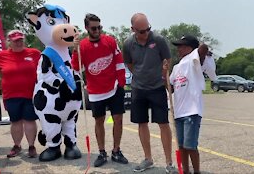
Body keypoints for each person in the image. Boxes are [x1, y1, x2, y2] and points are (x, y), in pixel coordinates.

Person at [71, 13, 128, 167]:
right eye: (94, 28)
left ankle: (116, 150)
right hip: (95, 90)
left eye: (99, 27)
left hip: (114, 87)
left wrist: (121, 83)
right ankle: (102, 153)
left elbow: (119, 61)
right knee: (99, 121)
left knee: (118, 119)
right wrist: (75, 51)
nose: (97, 30)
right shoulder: (82, 45)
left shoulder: (109, 40)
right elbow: (77, 68)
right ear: (87, 28)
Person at [123, 13, 176, 173]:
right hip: (139, 88)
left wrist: (162, 72)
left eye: (148, 29)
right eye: (141, 31)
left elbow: (167, 59)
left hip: (157, 87)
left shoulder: (158, 40)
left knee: (163, 123)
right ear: (133, 29)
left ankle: (169, 162)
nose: (145, 34)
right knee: (142, 123)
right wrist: (140, 74)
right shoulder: (128, 43)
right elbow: (130, 64)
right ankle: (148, 159)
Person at [169, 35, 217, 174]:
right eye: (177, 46)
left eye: (181, 46)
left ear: (190, 48)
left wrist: (202, 50)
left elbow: (203, 48)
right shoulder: (177, 67)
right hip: (178, 112)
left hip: (192, 111)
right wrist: (163, 74)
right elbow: (170, 87)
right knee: (182, 146)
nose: (178, 48)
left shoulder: (193, 61)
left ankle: (196, 171)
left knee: (191, 146)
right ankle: (186, 171)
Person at [0, 30, 40, 158]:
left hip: (30, 94)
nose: (19, 43)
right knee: (16, 121)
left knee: (30, 120)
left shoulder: (34, 53)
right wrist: (3, 78)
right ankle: (17, 145)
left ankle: (31, 146)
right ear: (9, 42)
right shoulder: (1, 56)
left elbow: (43, 68)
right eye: (16, 41)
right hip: (11, 95)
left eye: (20, 40)